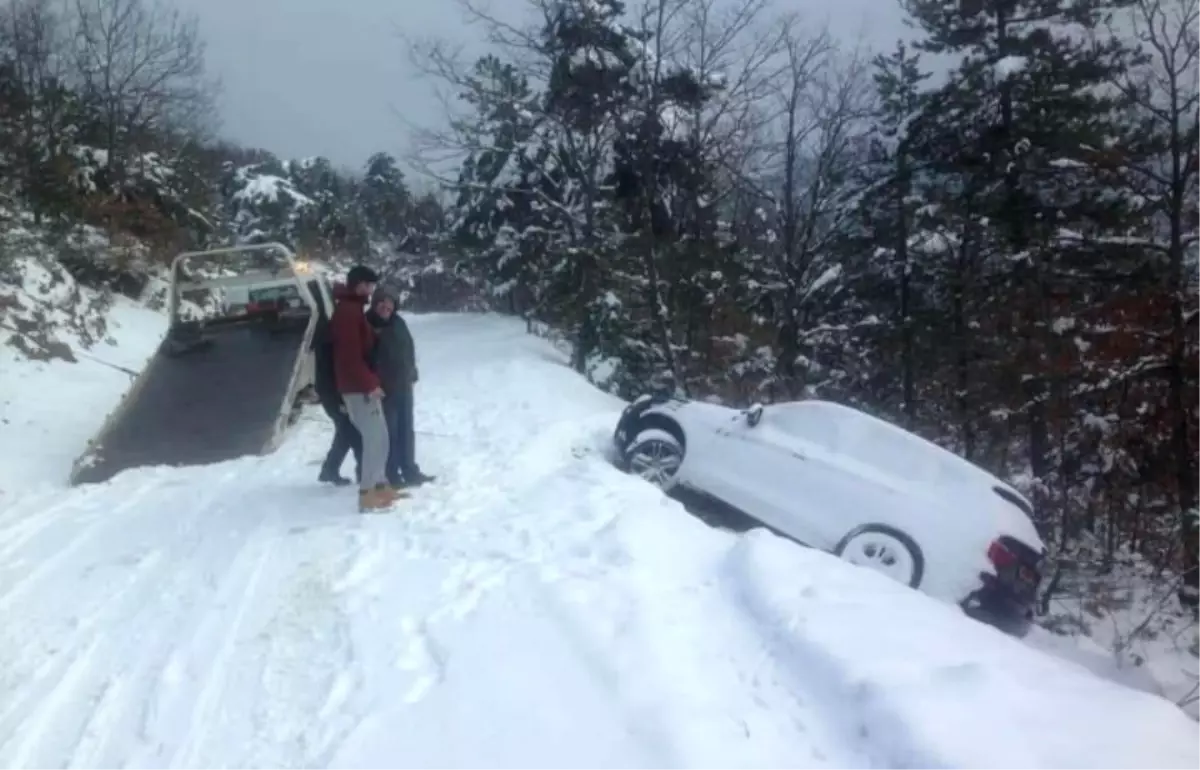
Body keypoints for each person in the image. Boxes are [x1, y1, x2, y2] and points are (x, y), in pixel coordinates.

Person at [329, 265, 403, 512]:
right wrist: (369, 384)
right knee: (374, 439)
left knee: (381, 438)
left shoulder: (353, 309)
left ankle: (381, 486)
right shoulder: (348, 312)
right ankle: (367, 492)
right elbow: (349, 356)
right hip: (357, 388)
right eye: (370, 285)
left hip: (362, 385)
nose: (372, 290)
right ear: (360, 284)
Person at [366, 290, 435, 487]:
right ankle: (392, 474)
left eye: (390, 305)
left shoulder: (398, 323)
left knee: (406, 430)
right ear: (375, 304)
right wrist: (372, 384)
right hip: (383, 389)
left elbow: (408, 348)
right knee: (390, 433)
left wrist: (412, 371)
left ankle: (410, 470)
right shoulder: (368, 325)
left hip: (403, 385)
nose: (386, 308)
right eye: (382, 304)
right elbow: (364, 358)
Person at [311, 287, 362, 486]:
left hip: (330, 390)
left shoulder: (328, 327)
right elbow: (332, 368)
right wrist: (340, 396)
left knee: (346, 430)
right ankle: (360, 471)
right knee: (350, 430)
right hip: (332, 391)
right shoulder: (331, 331)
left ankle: (330, 469)